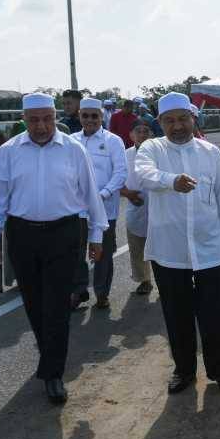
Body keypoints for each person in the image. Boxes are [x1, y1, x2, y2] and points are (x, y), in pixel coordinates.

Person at [0, 93, 108, 404]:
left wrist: (96, 235)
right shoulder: (8, 152)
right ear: (24, 120)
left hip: (63, 233)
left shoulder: (73, 149)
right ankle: (49, 355)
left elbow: (90, 194)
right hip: (22, 234)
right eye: (34, 120)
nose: (41, 126)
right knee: (34, 303)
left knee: (56, 305)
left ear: (56, 117)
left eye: (47, 119)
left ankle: (53, 374)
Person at [135, 92, 220, 395]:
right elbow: (143, 175)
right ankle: (183, 371)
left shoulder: (210, 152)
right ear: (160, 123)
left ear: (193, 119)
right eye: (170, 121)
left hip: (208, 248)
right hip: (169, 252)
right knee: (176, 315)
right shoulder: (152, 148)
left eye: (183, 119)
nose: (177, 126)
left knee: (214, 315)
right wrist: (172, 181)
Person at [71, 97, 127, 310]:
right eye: (85, 116)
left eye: (95, 116)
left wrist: (103, 194)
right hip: (77, 210)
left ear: (102, 117)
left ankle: (102, 293)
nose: (90, 120)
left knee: (102, 254)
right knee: (76, 252)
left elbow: (121, 173)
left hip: (105, 209)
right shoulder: (72, 140)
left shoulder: (113, 141)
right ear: (80, 116)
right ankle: (79, 290)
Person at [120, 120, 153, 295]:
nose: (142, 134)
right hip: (135, 206)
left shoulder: (161, 153)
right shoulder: (125, 155)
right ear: (131, 135)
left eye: (146, 131)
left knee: (162, 246)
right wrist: (128, 194)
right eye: (138, 131)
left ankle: (166, 279)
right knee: (137, 248)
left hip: (159, 207)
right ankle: (144, 280)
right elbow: (117, 180)